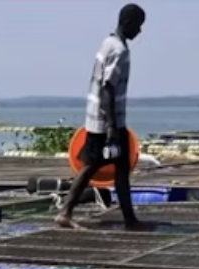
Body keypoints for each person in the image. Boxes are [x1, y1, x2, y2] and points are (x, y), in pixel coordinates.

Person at [55, 4, 146, 230]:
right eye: (138, 25)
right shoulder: (119, 50)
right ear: (128, 23)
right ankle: (65, 211)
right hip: (105, 122)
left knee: (120, 167)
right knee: (91, 166)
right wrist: (112, 127)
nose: (140, 31)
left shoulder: (108, 43)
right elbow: (108, 88)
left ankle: (130, 220)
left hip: (98, 118)